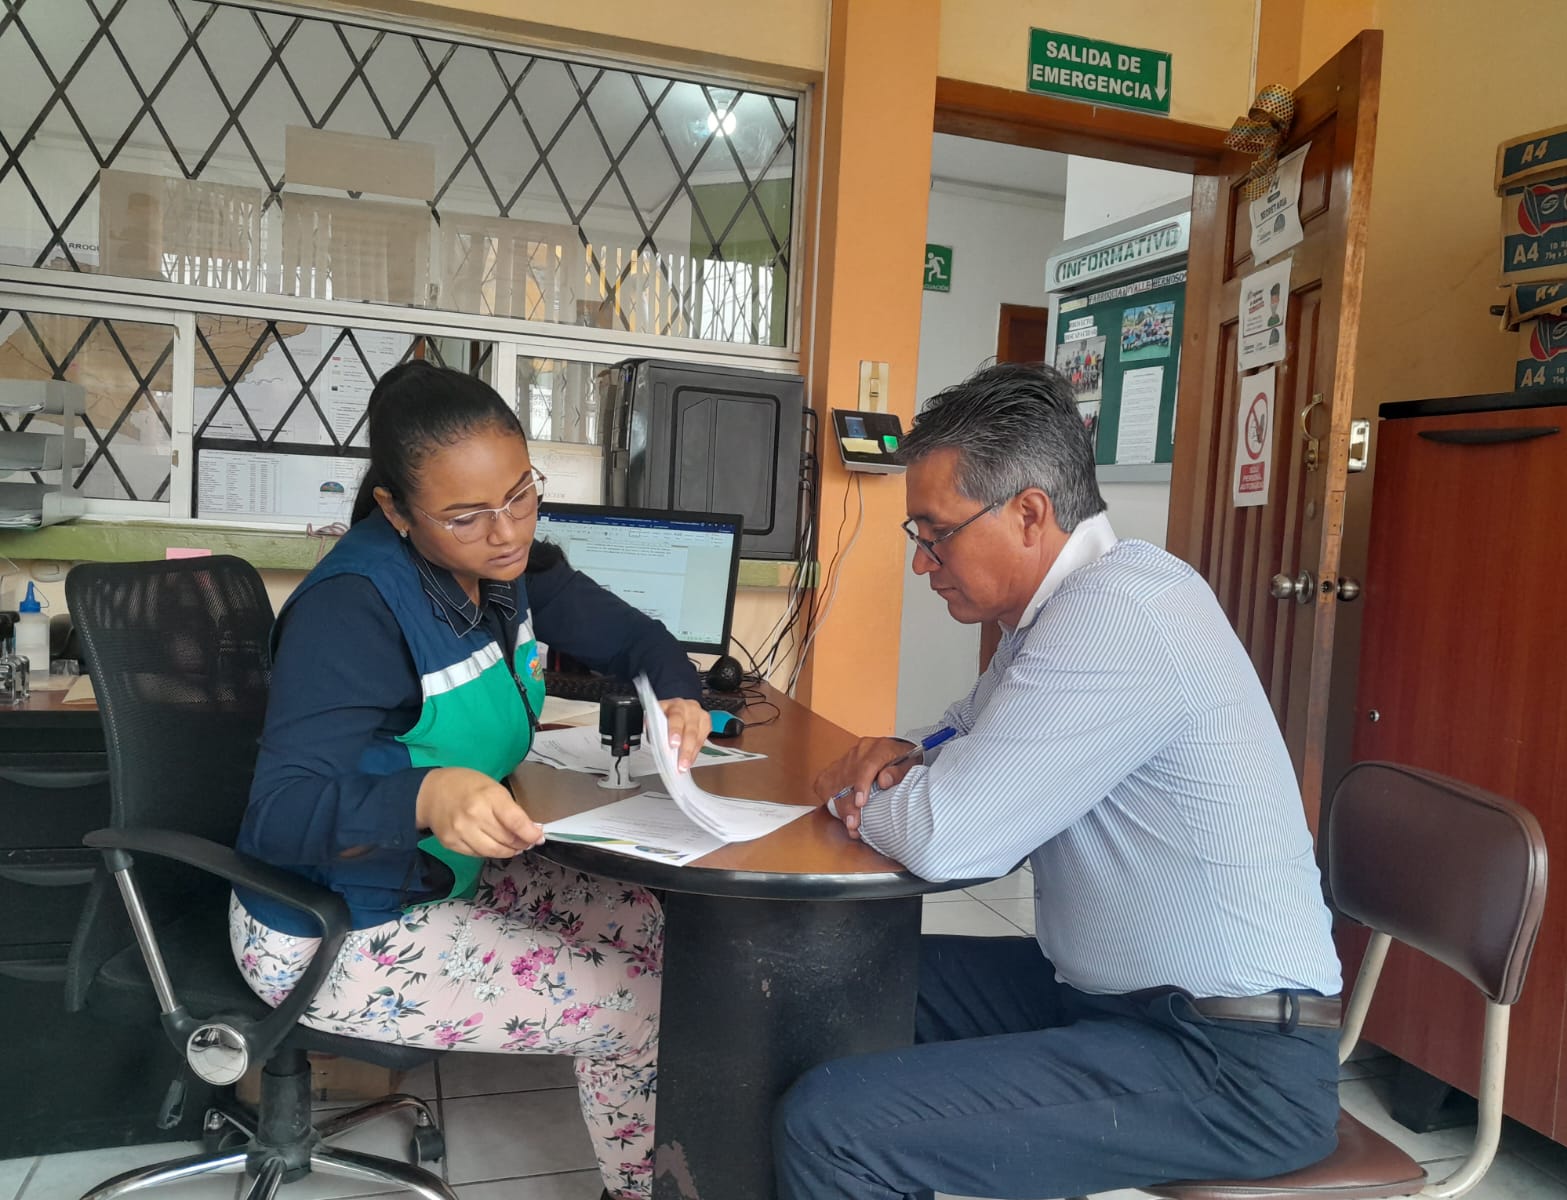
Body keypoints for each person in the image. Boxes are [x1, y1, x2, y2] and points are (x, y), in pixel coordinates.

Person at [776, 361, 1342, 1200]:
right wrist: (897, 757)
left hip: (1232, 1060)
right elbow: (953, 735)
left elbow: (949, 834)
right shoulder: (1053, 618)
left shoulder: (1119, 614)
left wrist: (868, 788)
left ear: (1030, 513)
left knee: (833, 1125)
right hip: (1113, 1002)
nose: (923, 562)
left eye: (935, 532)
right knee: (827, 981)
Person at [232, 360, 710, 1200]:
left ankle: (662, 1148)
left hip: (436, 877)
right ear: (395, 510)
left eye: (521, 496)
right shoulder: (352, 610)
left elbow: (635, 637)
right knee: (638, 1005)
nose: (506, 532)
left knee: (655, 923)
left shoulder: (509, 569)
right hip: (334, 924)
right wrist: (425, 796)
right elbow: (278, 815)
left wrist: (676, 691)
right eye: (465, 516)